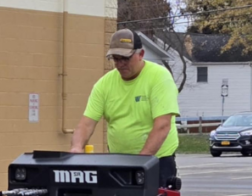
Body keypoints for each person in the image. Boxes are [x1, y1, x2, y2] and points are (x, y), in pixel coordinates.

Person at [70, 28, 181, 187]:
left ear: (141, 54)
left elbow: (163, 125)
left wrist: (141, 162)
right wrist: (76, 148)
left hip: (156, 161)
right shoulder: (104, 84)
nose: (120, 64)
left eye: (125, 58)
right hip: (119, 161)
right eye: (116, 59)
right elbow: (86, 124)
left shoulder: (159, 77)